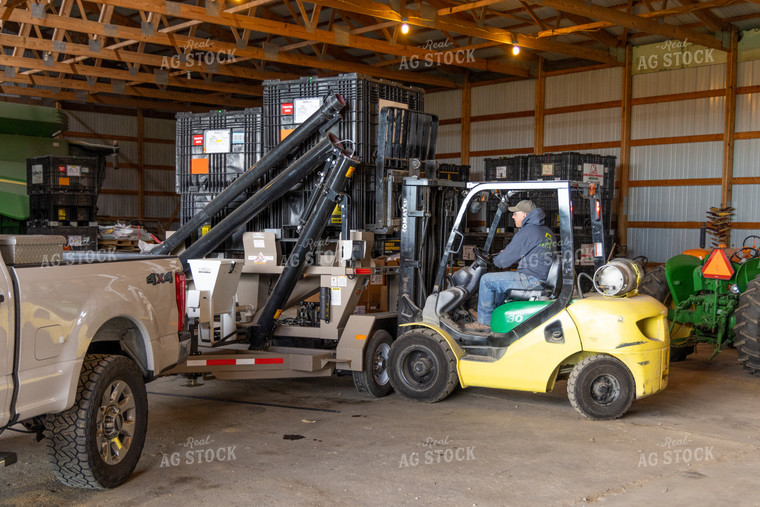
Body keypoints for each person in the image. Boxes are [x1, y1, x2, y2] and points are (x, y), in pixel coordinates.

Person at [465, 199, 556, 332]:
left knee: (487, 280)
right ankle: (491, 315)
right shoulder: (546, 231)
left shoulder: (526, 233)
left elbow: (502, 262)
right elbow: (534, 253)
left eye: (515, 214)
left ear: (524, 215)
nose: (513, 216)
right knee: (501, 282)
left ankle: (484, 322)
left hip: (531, 279)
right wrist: (509, 254)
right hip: (540, 276)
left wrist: (498, 259)